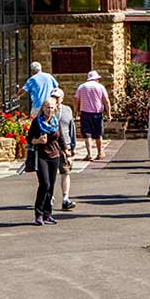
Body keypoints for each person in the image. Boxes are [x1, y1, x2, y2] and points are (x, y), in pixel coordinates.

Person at [26, 92, 67, 224]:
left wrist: (67, 152)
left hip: (55, 156)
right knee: (44, 184)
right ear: (43, 108)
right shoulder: (37, 122)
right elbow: (29, 139)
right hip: (42, 156)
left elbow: (60, 138)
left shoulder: (55, 121)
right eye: (47, 107)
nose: (49, 110)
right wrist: (37, 141)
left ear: (55, 108)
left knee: (51, 186)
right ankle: (38, 214)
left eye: (51, 107)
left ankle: (47, 214)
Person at [75, 69, 112, 161]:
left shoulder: (81, 87)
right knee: (98, 134)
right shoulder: (100, 87)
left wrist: (75, 111)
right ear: (95, 79)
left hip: (85, 113)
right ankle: (99, 153)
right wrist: (109, 113)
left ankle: (89, 154)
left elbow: (76, 100)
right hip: (97, 113)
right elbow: (106, 101)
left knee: (87, 134)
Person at [53, 88, 78, 210]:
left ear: (62, 98)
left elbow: (71, 128)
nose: (55, 100)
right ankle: (49, 197)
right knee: (49, 175)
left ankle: (65, 198)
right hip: (51, 147)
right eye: (53, 97)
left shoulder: (67, 110)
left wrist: (73, 146)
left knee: (65, 172)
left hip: (65, 147)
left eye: (57, 97)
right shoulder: (46, 110)